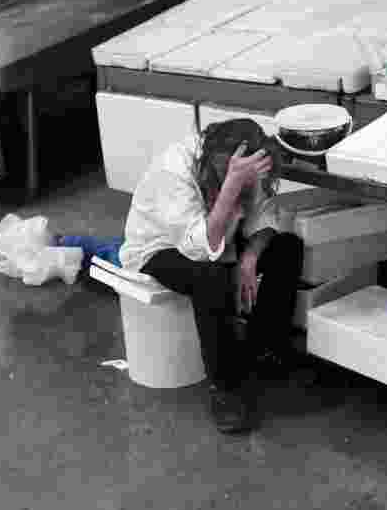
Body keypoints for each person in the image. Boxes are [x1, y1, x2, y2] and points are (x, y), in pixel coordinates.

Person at [119, 119, 303, 434]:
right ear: (208, 155)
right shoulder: (173, 170)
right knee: (210, 277)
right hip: (161, 247)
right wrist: (231, 185)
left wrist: (249, 257)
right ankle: (225, 387)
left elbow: (264, 215)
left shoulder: (247, 161)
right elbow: (199, 249)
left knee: (287, 248)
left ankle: (264, 346)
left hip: (219, 236)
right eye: (221, 172)